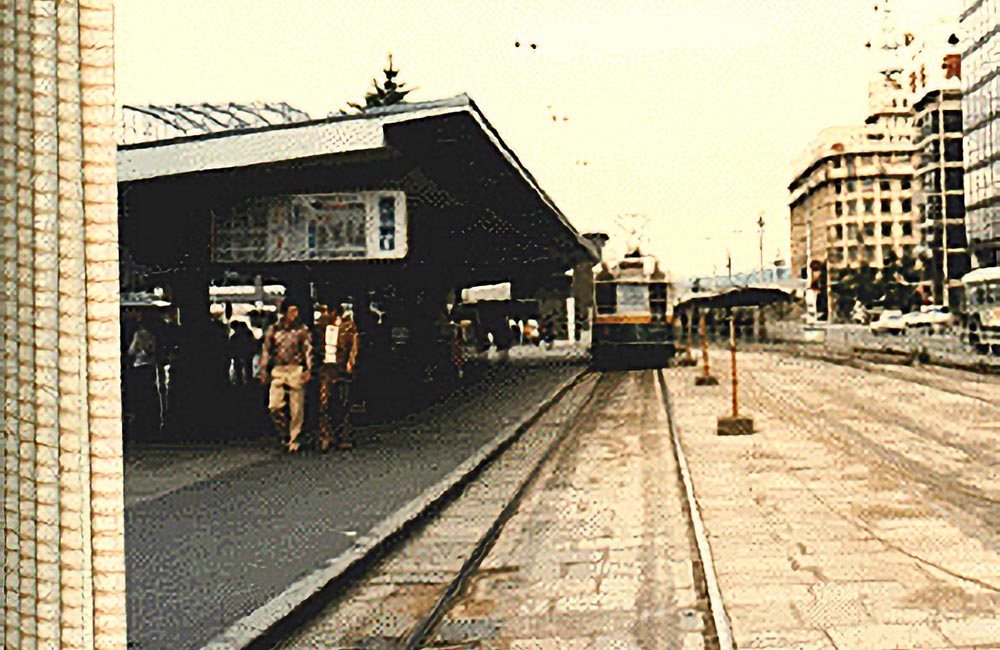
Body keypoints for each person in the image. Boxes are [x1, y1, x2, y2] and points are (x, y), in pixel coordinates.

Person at [259, 299, 313, 452]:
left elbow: (307, 350)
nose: (295, 315)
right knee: (274, 406)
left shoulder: (302, 330)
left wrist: (308, 369)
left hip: (296, 368)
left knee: (297, 408)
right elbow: (266, 350)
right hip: (279, 369)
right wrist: (263, 370)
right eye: (291, 311)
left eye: (296, 311)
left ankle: (295, 438)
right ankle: (284, 433)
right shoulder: (274, 330)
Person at [313, 300, 359, 451]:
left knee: (342, 402)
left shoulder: (348, 327)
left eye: (326, 312)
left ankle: (343, 435)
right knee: (324, 402)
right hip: (326, 367)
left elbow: (353, 346)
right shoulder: (320, 328)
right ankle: (325, 435)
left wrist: (350, 362)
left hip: (341, 367)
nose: (323, 315)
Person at [126, 312, 159, 437]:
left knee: (140, 393)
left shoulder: (139, 334)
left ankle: (141, 422)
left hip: (139, 365)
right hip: (150, 366)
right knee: (150, 391)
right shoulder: (152, 335)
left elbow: (132, 351)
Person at [228, 320, 258, 386]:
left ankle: (240, 383)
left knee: (239, 370)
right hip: (248, 354)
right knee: (248, 369)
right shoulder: (249, 333)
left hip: (239, 355)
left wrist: (232, 356)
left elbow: (231, 347)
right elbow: (254, 343)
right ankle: (249, 383)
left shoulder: (234, 337)